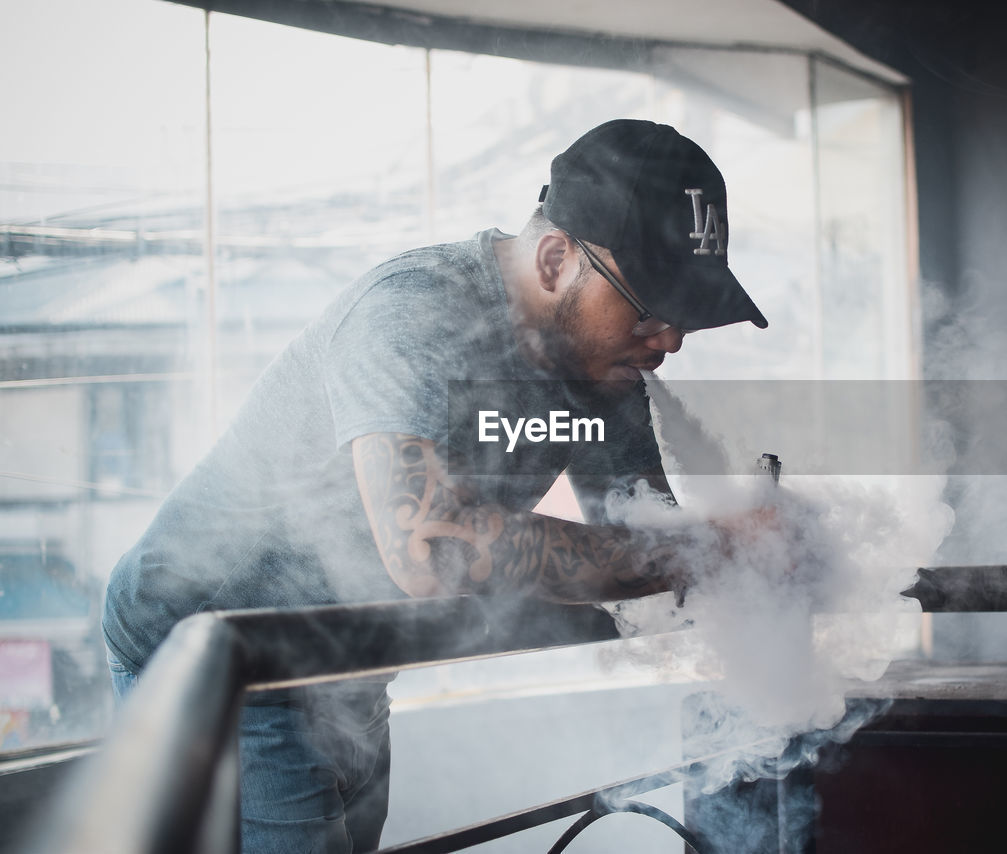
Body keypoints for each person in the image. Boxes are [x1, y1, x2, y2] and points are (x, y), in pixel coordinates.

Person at [101, 118, 769, 853]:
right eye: (651, 308)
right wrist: (708, 550)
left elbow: (648, 538)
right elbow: (429, 550)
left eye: (687, 318)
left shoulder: (601, 368)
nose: (670, 340)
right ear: (554, 260)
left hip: (346, 655)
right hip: (226, 643)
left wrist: (774, 548)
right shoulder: (413, 311)